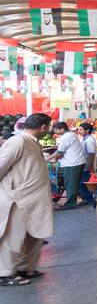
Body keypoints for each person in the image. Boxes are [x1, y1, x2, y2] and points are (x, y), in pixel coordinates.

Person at [0, 114, 55, 285]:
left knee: (35, 236)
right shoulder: (18, 142)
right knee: (12, 237)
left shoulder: (32, 142)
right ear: (43, 127)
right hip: (17, 200)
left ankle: (26, 268)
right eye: (49, 127)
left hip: (34, 201)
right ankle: (4, 273)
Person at [50, 122, 88, 209]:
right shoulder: (71, 135)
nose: (55, 132)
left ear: (62, 129)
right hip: (77, 162)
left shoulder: (66, 137)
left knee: (70, 184)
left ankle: (70, 203)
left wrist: (49, 158)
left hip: (72, 163)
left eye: (57, 130)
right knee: (75, 183)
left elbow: (60, 152)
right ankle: (81, 198)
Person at [77, 123, 97, 206]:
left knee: (82, 184)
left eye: (81, 129)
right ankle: (87, 199)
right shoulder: (86, 139)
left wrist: (88, 167)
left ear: (87, 130)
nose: (79, 131)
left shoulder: (89, 140)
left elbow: (91, 154)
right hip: (85, 165)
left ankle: (90, 200)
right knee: (84, 184)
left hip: (87, 166)